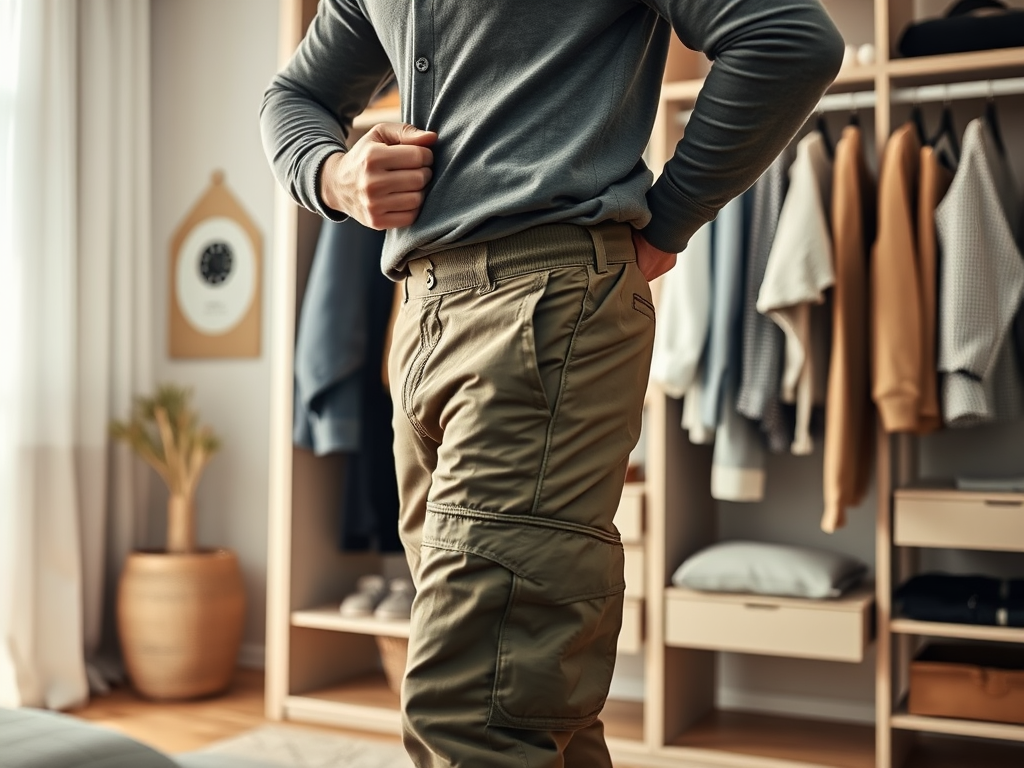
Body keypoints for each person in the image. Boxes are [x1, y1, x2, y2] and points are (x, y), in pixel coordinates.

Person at [261, 2, 844, 766]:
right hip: (423, 319)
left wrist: (666, 223)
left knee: (471, 712)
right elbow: (291, 97)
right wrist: (333, 173)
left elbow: (789, 39)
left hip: (543, 309)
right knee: (520, 690)